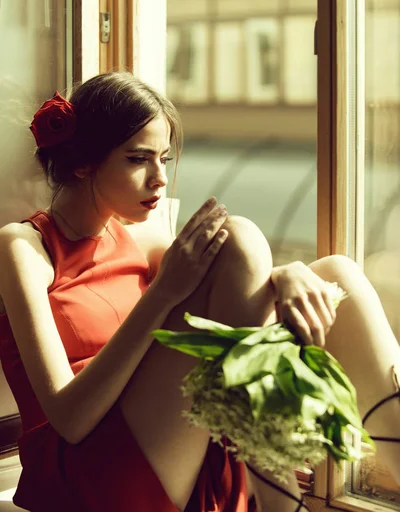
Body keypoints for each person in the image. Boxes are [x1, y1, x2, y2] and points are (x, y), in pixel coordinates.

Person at [0, 71, 399, 512]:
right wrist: (162, 292)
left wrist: (288, 274)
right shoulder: (24, 246)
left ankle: (276, 471)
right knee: (241, 234)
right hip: (85, 469)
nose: (160, 179)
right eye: (138, 159)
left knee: (337, 275)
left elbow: (238, 283)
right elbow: (69, 419)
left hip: (170, 441)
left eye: (164, 160)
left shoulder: (145, 241)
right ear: (82, 163)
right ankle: (275, 493)